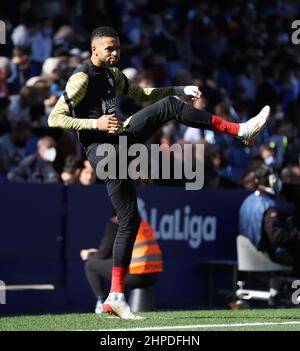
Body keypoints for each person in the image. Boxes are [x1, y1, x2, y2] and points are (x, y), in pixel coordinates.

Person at [48, 26, 270, 319]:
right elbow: (54, 118)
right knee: (168, 109)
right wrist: (95, 125)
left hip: (118, 143)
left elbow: (141, 94)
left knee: (129, 219)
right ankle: (239, 131)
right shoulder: (81, 78)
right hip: (103, 151)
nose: (115, 53)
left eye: (117, 47)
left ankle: (115, 296)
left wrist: (178, 91)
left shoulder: (113, 75)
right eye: (109, 49)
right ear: (94, 50)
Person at [80, 215, 163, 315]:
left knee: (90, 265)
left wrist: (90, 254)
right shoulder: (141, 221)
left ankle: (102, 303)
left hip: (135, 273)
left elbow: (103, 254)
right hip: (154, 274)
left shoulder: (116, 222)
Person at [239, 164, 300, 276]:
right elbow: (276, 236)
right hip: (266, 255)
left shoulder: (247, 201)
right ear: (271, 180)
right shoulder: (268, 205)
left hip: (251, 255)